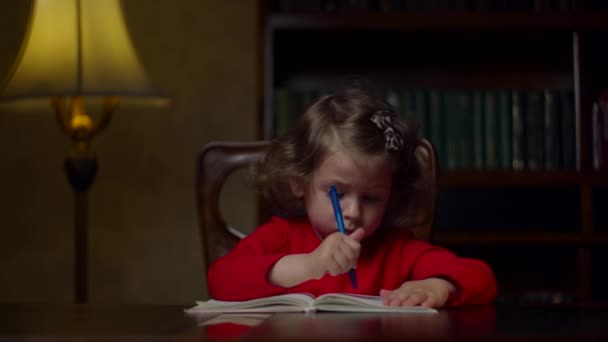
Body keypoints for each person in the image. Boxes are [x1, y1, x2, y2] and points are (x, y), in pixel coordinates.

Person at [207, 88, 497, 308]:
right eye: (338, 193)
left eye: (371, 198)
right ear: (299, 182)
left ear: (391, 194)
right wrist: (307, 266)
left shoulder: (396, 249)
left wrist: (438, 286)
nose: (353, 212)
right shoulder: (281, 237)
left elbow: (482, 278)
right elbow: (220, 280)